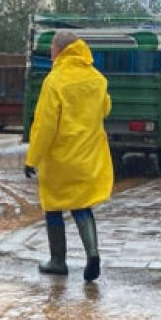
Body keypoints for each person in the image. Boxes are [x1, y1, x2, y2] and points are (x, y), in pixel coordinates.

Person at [24, 31, 113, 282]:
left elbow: (44, 126)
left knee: (53, 206)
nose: (51, 53)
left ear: (60, 50)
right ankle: (93, 253)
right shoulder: (97, 79)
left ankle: (58, 260)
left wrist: (32, 159)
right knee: (81, 205)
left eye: (52, 48)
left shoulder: (54, 81)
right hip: (88, 157)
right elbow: (105, 108)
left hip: (60, 159)